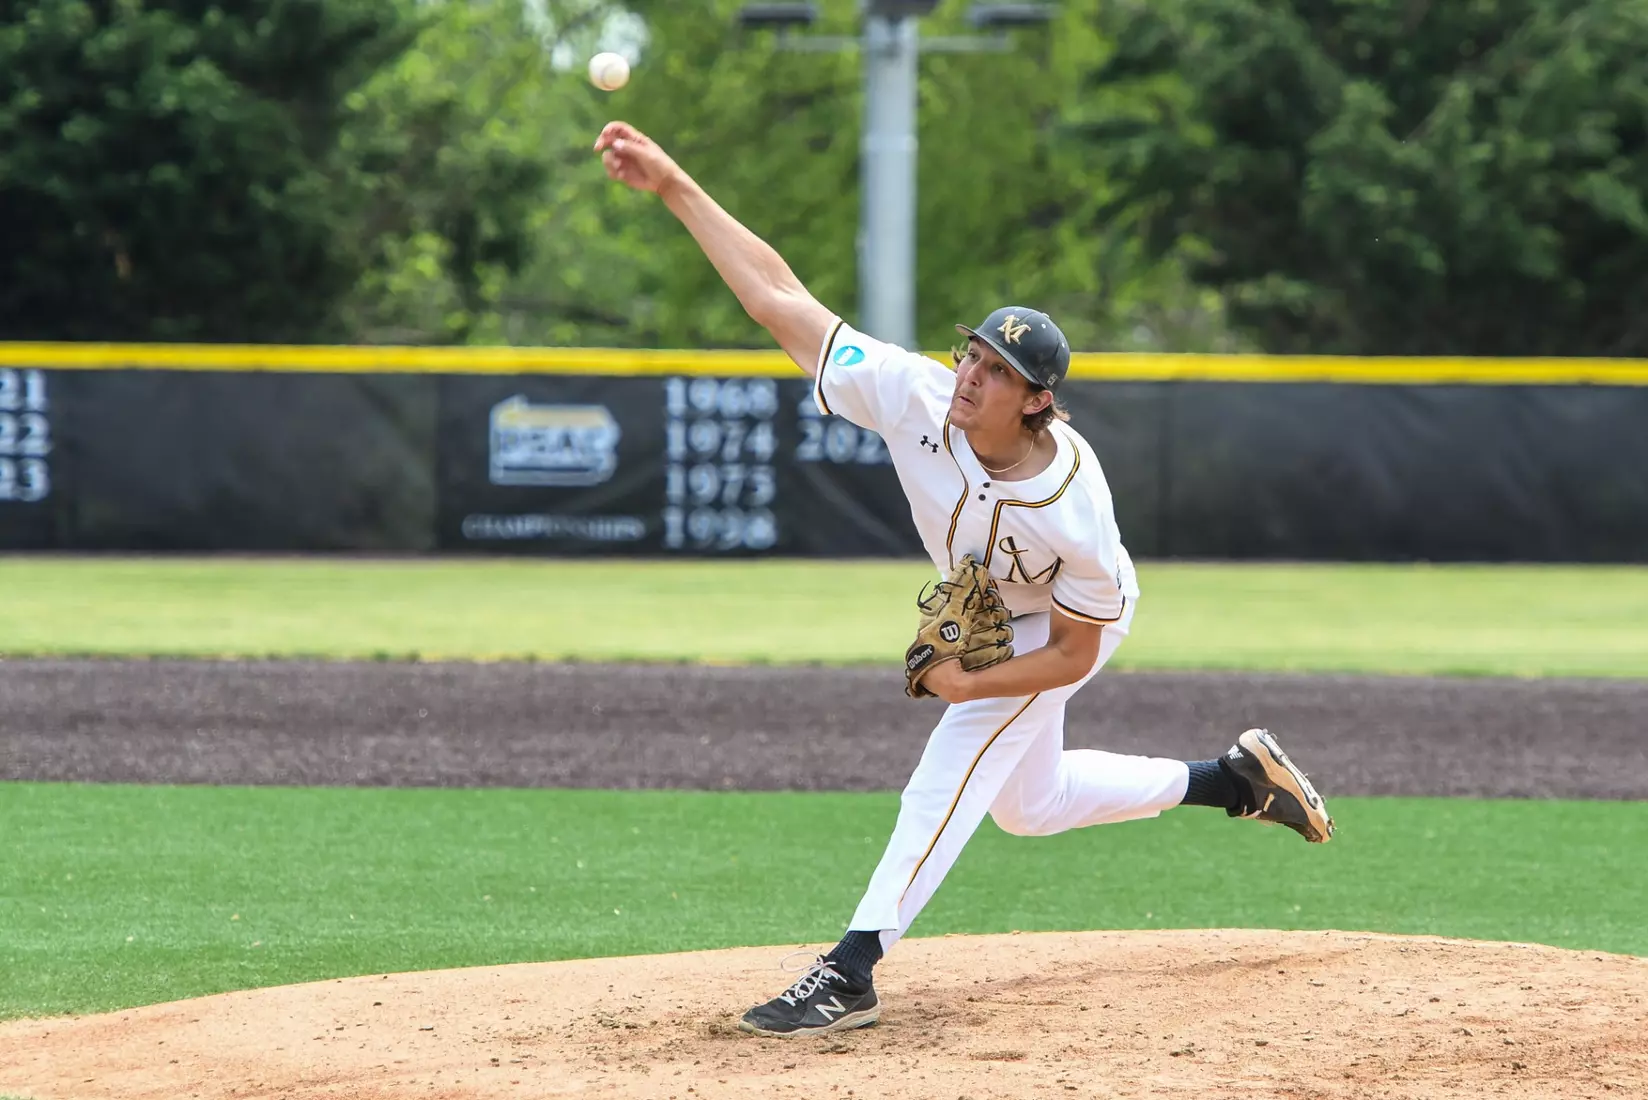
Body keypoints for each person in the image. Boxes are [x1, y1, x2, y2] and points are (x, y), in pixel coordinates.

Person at [593, 120, 1335, 1038]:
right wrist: (672, 185)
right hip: (996, 610)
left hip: (1061, 627)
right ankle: (1231, 781)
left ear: (1038, 400)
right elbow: (781, 300)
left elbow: (1072, 652)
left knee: (953, 759)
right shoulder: (915, 396)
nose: (971, 376)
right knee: (1031, 806)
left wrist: (972, 682)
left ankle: (851, 967)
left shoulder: (1072, 506)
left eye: (998, 370)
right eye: (973, 355)